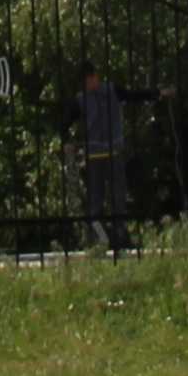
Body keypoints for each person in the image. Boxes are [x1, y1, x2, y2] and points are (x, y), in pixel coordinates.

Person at [73, 63, 132, 251]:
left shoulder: (111, 90)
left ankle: (120, 234)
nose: (89, 84)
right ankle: (99, 238)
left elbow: (132, 95)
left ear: (95, 77)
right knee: (96, 200)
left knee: (118, 196)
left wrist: (157, 93)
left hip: (113, 152)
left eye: (91, 80)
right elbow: (67, 117)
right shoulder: (82, 99)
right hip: (94, 155)